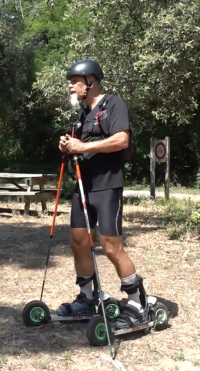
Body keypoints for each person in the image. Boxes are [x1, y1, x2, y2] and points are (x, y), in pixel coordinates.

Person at [58, 60, 148, 329]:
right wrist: (67, 146)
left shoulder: (113, 104)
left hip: (107, 185)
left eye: (75, 80)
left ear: (91, 81)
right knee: (78, 242)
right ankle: (88, 298)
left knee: (111, 246)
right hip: (84, 185)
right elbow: (81, 146)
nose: (71, 86)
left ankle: (137, 302)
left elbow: (122, 140)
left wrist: (83, 146)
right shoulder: (83, 114)